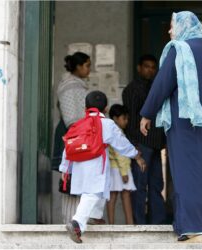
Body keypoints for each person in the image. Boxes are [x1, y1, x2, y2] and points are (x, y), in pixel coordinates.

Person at [139, 11, 202, 243]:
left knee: (187, 172)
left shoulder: (179, 49)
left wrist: (147, 113)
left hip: (187, 123)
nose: (170, 31)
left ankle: (195, 229)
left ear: (183, 26)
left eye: (172, 26)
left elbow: (162, 83)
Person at [59, 91, 146, 243]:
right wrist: (136, 155)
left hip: (79, 167)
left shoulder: (78, 125)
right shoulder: (107, 124)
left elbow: (68, 148)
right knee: (92, 193)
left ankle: (95, 216)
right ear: (105, 109)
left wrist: (65, 169)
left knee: (98, 192)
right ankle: (77, 223)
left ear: (85, 107)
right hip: (96, 165)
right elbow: (121, 144)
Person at [122, 55, 166, 224]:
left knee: (156, 186)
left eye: (153, 67)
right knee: (140, 187)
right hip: (141, 145)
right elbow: (131, 120)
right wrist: (134, 146)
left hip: (155, 144)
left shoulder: (156, 87)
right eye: (146, 66)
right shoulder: (132, 89)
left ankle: (158, 223)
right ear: (139, 68)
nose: (150, 70)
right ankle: (139, 224)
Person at [57, 52, 93, 224]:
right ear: (78, 66)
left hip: (78, 135)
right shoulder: (70, 85)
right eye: (87, 65)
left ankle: (77, 220)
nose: (89, 69)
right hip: (72, 136)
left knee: (77, 179)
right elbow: (71, 116)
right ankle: (70, 220)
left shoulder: (78, 84)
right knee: (69, 179)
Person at [107, 104, 137, 225]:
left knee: (116, 195)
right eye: (124, 118)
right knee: (121, 195)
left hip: (118, 168)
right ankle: (128, 224)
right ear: (115, 118)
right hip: (118, 169)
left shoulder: (117, 131)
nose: (126, 121)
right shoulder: (116, 132)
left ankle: (113, 224)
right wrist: (124, 172)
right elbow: (118, 153)